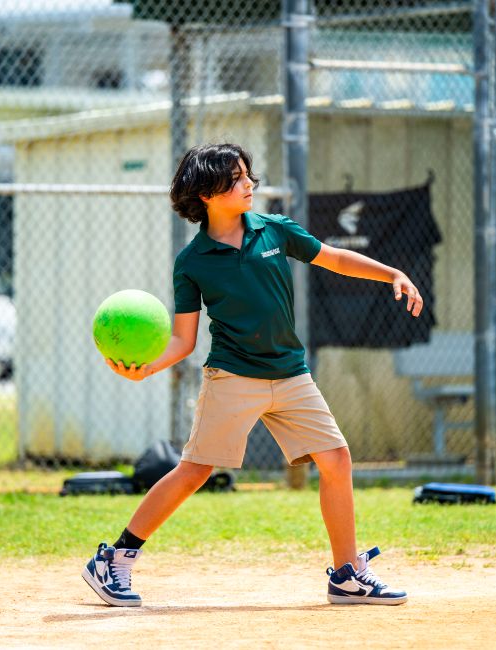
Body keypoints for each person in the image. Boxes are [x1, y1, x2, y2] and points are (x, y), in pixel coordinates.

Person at [83, 143, 422, 607]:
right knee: (195, 470)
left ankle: (347, 575)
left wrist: (392, 274)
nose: (249, 185)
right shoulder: (193, 261)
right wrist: (145, 369)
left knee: (337, 460)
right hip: (233, 376)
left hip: (290, 372)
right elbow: (183, 340)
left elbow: (334, 257)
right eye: (238, 178)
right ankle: (114, 559)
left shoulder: (274, 230)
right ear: (206, 192)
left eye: (248, 176)